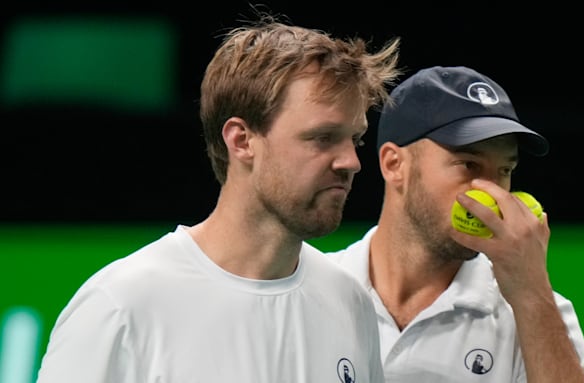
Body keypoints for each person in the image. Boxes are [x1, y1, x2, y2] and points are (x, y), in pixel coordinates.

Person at [36, 12, 401, 383]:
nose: (352, 162)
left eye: (354, 139)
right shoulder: (120, 307)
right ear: (241, 140)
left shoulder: (349, 302)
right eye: (322, 137)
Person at [328, 66, 584, 382]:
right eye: (469, 165)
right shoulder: (316, 290)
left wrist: (532, 294)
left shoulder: (537, 314)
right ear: (393, 164)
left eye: (505, 170)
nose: (491, 194)